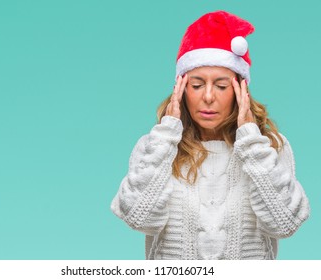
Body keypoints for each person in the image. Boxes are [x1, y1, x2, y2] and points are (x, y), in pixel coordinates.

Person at [110, 10, 310, 260]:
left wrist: (250, 141)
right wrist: (166, 135)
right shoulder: (157, 146)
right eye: (196, 85)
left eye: (221, 85)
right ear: (181, 89)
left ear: (241, 90)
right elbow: (138, 217)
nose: (207, 96)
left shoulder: (267, 147)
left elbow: (286, 223)